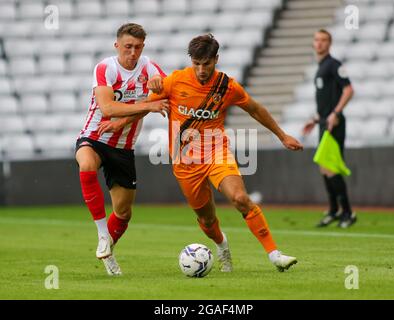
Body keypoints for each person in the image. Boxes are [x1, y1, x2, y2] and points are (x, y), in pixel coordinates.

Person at [146, 34, 303, 272]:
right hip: (185, 162)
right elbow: (147, 104)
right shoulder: (175, 81)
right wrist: (146, 96)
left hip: (216, 153)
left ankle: (274, 255)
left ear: (216, 59)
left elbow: (255, 109)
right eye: (196, 63)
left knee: (240, 198)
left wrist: (282, 135)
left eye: (206, 63)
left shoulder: (226, 86)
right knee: (207, 220)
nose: (200, 69)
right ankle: (222, 245)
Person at [75, 23, 169, 276]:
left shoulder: (150, 67)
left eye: (138, 47)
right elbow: (107, 109)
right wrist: (148, 105)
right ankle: (102, 233)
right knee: (86, 164)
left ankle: (108, 251)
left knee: (124, 213)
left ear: (143, 47)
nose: (133, 52)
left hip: (124, 147)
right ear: (117, 45)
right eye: (128, 47)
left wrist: (160, 87)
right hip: (95, 135)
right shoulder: (105, 68)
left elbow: (168, 95)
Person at [302, 29, 356, 228]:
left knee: (330, 167)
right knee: (324, 168)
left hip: (335, 124)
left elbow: (349, 89)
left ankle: (347, 212)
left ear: (329, 43)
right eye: (316, 40)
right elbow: (326, 101)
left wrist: (336, 113)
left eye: (323, 40)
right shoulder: (321, 67)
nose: (319, 43)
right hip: (324, 122)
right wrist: (316, 119)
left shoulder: (334, 65)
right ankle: (334, 210)